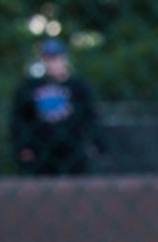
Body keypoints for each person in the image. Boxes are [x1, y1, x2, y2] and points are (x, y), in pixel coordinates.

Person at [10, 37, 101, 177]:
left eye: (55, 58)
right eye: (48, 58)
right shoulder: (29, 87)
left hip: (72, 147)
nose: (52, 63)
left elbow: (91, 116)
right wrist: (23, 146)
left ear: (65, 58)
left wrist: (97, 143)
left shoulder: (78, 86)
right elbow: (20, 119)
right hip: (41, 148)